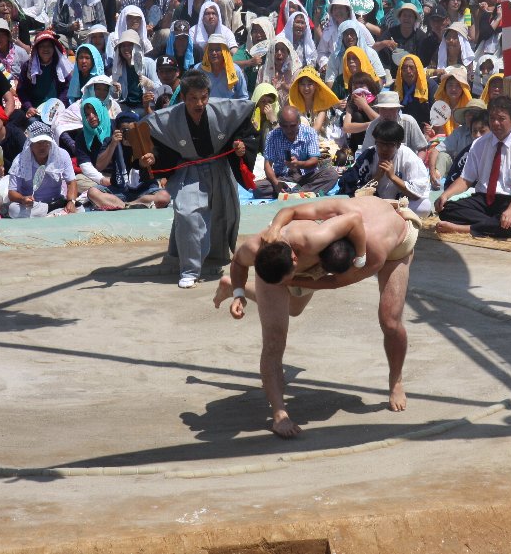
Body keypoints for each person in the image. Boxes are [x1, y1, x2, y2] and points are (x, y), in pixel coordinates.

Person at [213, 195, 419, 437]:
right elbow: (282, 217)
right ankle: (279, 414)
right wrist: (241, 292)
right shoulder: (264, 246)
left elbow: (334, 283)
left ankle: (396, 381)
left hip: (396, 245)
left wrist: (299, 279)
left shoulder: (370, 252)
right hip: (292, 259)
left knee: (390, 320)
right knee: (276, 336)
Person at [144, 70, 258, 288]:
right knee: (187, 214)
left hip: (219, 168)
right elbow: (159, 145)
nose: (199, 103)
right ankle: (189, 269)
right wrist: (152, 157)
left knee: (222, 214)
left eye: (203, 97)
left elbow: (244, 130)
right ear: (184, 98)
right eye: (193, 98)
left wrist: (241, 146)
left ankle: (215, 256)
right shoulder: (171, 117)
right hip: (190, 171)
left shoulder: (223, 110)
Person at [434, 95, 511, 238]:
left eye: (501, 119)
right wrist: (445, 195)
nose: (496, 123)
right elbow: (466, 179)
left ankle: (466, 228)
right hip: (486, 199)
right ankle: (492, 225)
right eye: (492, 118)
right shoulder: (479, 143)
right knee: (447, 209)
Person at [340, 120, 432, 216]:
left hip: (400, 204)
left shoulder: (409, 157)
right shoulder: (369, 156)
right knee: (351, 205)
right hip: (375, 203)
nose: (384, 149)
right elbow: (355, 191)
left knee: (424, 207)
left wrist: (393, 177)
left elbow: (417, 193)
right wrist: (376, 178)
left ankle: (389, 215)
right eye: (380, 144)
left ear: (398, 144)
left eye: (389, 145)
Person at [255, 105, 340, 199]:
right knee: (257, 188)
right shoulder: (272, 136)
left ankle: (296, 193)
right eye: (285, 126)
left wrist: (298, 164)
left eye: (293, 126)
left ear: (299, 122)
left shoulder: (309, 133)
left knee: (332, 174)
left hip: (307, 176)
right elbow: (267, 165)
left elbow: (314, 161)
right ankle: (303, 193)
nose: (289, 130)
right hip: (283, 178)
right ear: (280, 124)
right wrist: (276, 184)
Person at [7, 121, 78, 218]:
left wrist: (71, 202)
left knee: (78, 208)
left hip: (56, 201)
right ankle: (51, 213)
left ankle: (50, 214)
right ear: (30, 144)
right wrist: (23, 199)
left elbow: (71, 182)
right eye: (38, 143)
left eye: (46, 142)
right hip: (33, 205)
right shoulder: (19, 160)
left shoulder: (62, 154)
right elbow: (12, 193)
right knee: (13, 209)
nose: (42, 147)